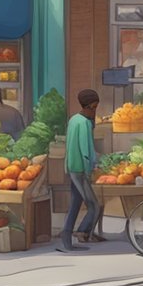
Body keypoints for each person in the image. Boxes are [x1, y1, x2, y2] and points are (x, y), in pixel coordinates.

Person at [59, 89, 102, 252]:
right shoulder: (84, 123)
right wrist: (89, 170)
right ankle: (79, 232)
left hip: (71, 167)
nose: (96, 110)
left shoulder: (74, 119)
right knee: (94, 205)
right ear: (91, 105)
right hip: (80, 170)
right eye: (95, 107)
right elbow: (86, 150)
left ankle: (76, 234)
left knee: (76, 202)